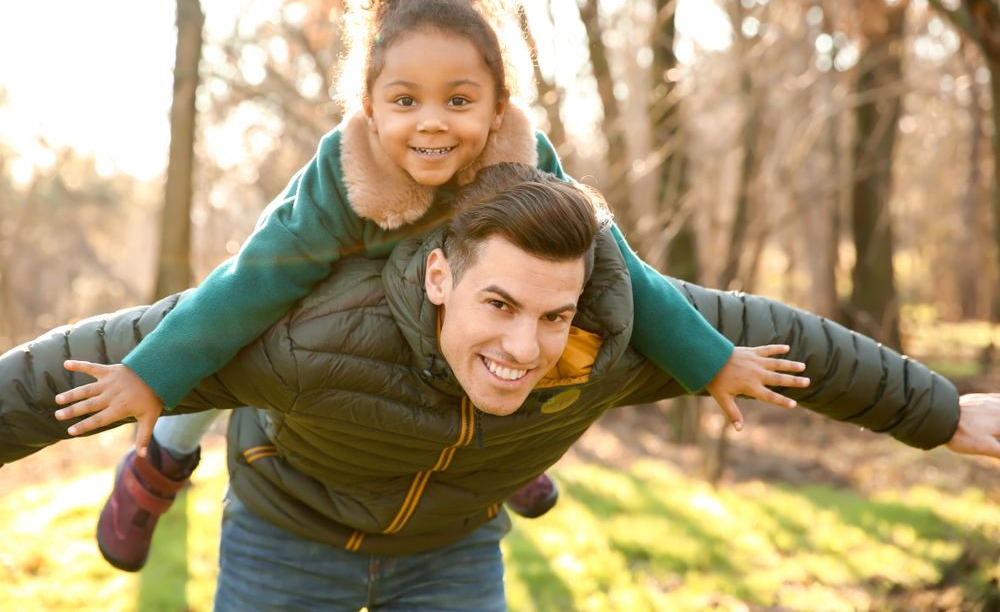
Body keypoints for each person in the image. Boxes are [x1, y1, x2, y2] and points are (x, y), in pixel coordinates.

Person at [52, 0, 796, 572]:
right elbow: (246, 288)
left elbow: (620, 271)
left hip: (453, 335)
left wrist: (712, 360)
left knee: (524, 311)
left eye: (459, 99)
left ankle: (508, 452)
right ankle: (159, 467)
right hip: (319, 317)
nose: (432, 121)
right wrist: (149, 373)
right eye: (405, 99)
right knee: (247, 334)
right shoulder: (339, 181)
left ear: (499, 105)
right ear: (369, 107)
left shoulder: (527, 160)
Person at [3, 165, 997, 612]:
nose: (528, 345)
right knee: (193, 368)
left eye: (553, 314)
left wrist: (942, 413)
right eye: (498, 305)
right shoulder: (315, 327)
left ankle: (508, 462)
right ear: (438, 276)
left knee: (518, 396)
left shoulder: (611, 334)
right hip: (288, 534)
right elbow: (73, 364)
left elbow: (781, 339)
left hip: (449, 551)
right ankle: (160, 467)